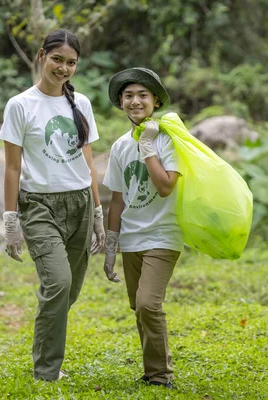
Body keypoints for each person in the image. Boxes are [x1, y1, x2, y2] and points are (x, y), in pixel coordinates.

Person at [0, 28, 105, 381]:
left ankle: (47, 338)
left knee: (69, 290)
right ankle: (46, 370)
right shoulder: (20, 105)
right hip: (40, 206)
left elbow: (87, 162)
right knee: (58, 284)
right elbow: (13, 167)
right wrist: (11, 219)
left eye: (70, 62)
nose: (63, 68)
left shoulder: (82, 104)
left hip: (80, 203)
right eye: (57, 59)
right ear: (42, 56)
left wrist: (98, 211)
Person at [103, 67, 183, 389]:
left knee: (149, 303)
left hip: (163, 234)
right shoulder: (120, 146)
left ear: (156, 101)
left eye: (143, 95)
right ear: (121, 102)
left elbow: (165, 187)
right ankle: (152, 373)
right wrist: (111, 246)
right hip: (132, 237)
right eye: (129, 96)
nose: (135, 101)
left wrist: (148, 147)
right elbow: (118, 201)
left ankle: (161, 376)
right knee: (139, 306)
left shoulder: (169, 140)